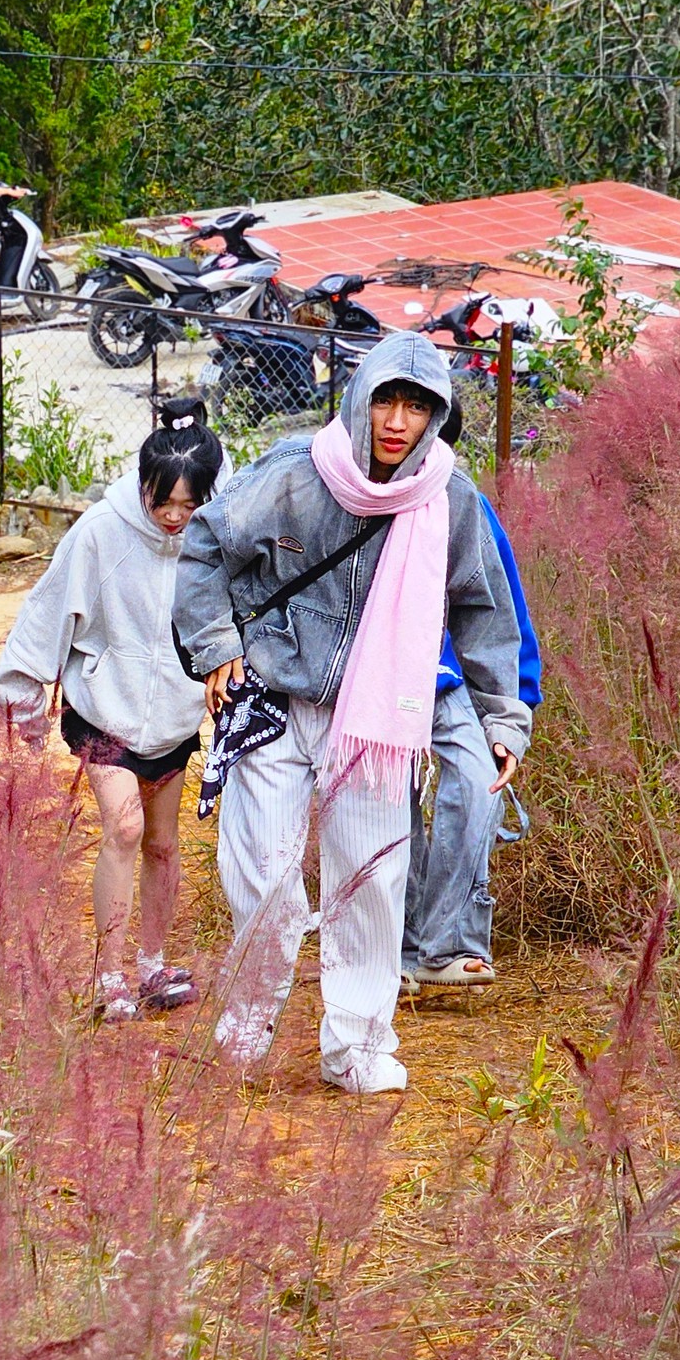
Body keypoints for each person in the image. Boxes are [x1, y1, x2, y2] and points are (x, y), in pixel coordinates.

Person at [171, 334, 531, 1093]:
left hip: (373, 722)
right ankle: (241, 1032)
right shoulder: (298, 470)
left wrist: (502, 719)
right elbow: (208, 542)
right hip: (273, 700)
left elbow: (484, 613)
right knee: (265, 883)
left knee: (371, 883)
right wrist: (215, 644)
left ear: (437, 416)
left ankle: (358, 1049)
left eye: (418, 405)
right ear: (359, 397)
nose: (398, 420)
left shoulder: (449, 500)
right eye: (387, 400)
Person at [0, 397, 226, 1020]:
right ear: (143, 487)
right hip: (104, 709)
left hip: (177, 715)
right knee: (123, 827)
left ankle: (153, 965)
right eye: (163, 503)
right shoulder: (100, 531)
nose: (176, 517)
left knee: (163, 844)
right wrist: (23, 692)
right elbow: (47, 609)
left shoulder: (221, 534)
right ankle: (109, 978)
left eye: (189, 505)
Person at [405, 475, 542, 990]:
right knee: (386, 799)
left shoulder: (464, 503)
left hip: (446, 677)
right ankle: (394, 943)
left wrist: (513, 705)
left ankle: (450, 942)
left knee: (477, 782)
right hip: (368, 680)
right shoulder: (355, 492)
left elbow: (500, 608)